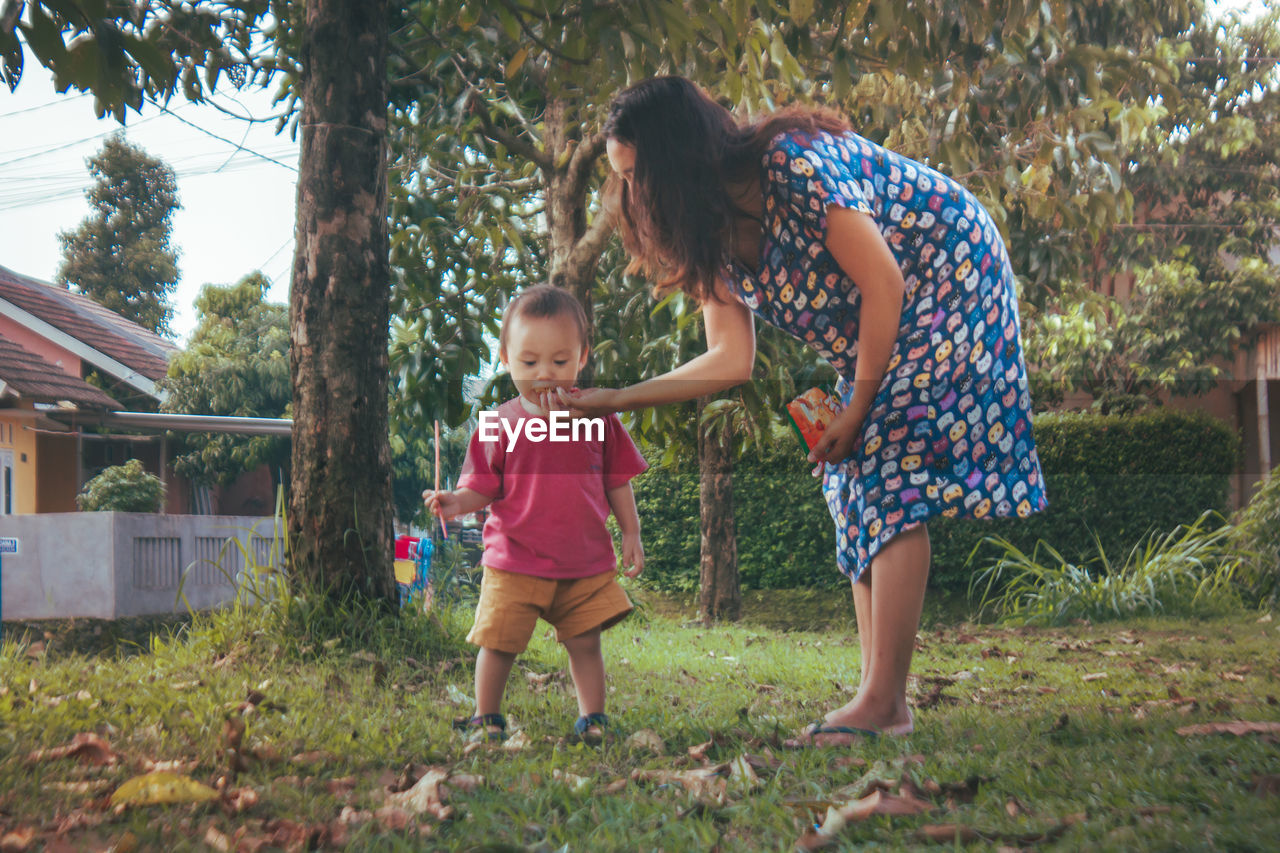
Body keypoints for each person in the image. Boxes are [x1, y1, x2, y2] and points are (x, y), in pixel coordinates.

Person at [556, 76, 1048, 745]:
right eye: (622, 178)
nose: (630, 196)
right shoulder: (711, 238)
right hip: (885, 319)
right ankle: (879, 695)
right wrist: (616, 398)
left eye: (637, 174)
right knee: (849, 478)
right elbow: (731, 360)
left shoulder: (790, 164)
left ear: (677, 156)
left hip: (950, 273)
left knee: (889, 461)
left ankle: (883, 702)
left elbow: (884, 280)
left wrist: (861, 406)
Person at [423, 284, 647, 745]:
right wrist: (454, 502)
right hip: (514, 560)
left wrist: (631, 533)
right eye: (530, 363)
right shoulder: (498, 422)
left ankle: (593, 718)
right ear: (505, 357)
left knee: (586, 643)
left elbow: (617, 479)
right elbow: (480, 488)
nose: (545, 373)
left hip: (582, 562)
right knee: (499, 643)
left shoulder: (598, 417)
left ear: (582, 357)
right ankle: (487, 717)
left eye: (559, 362)